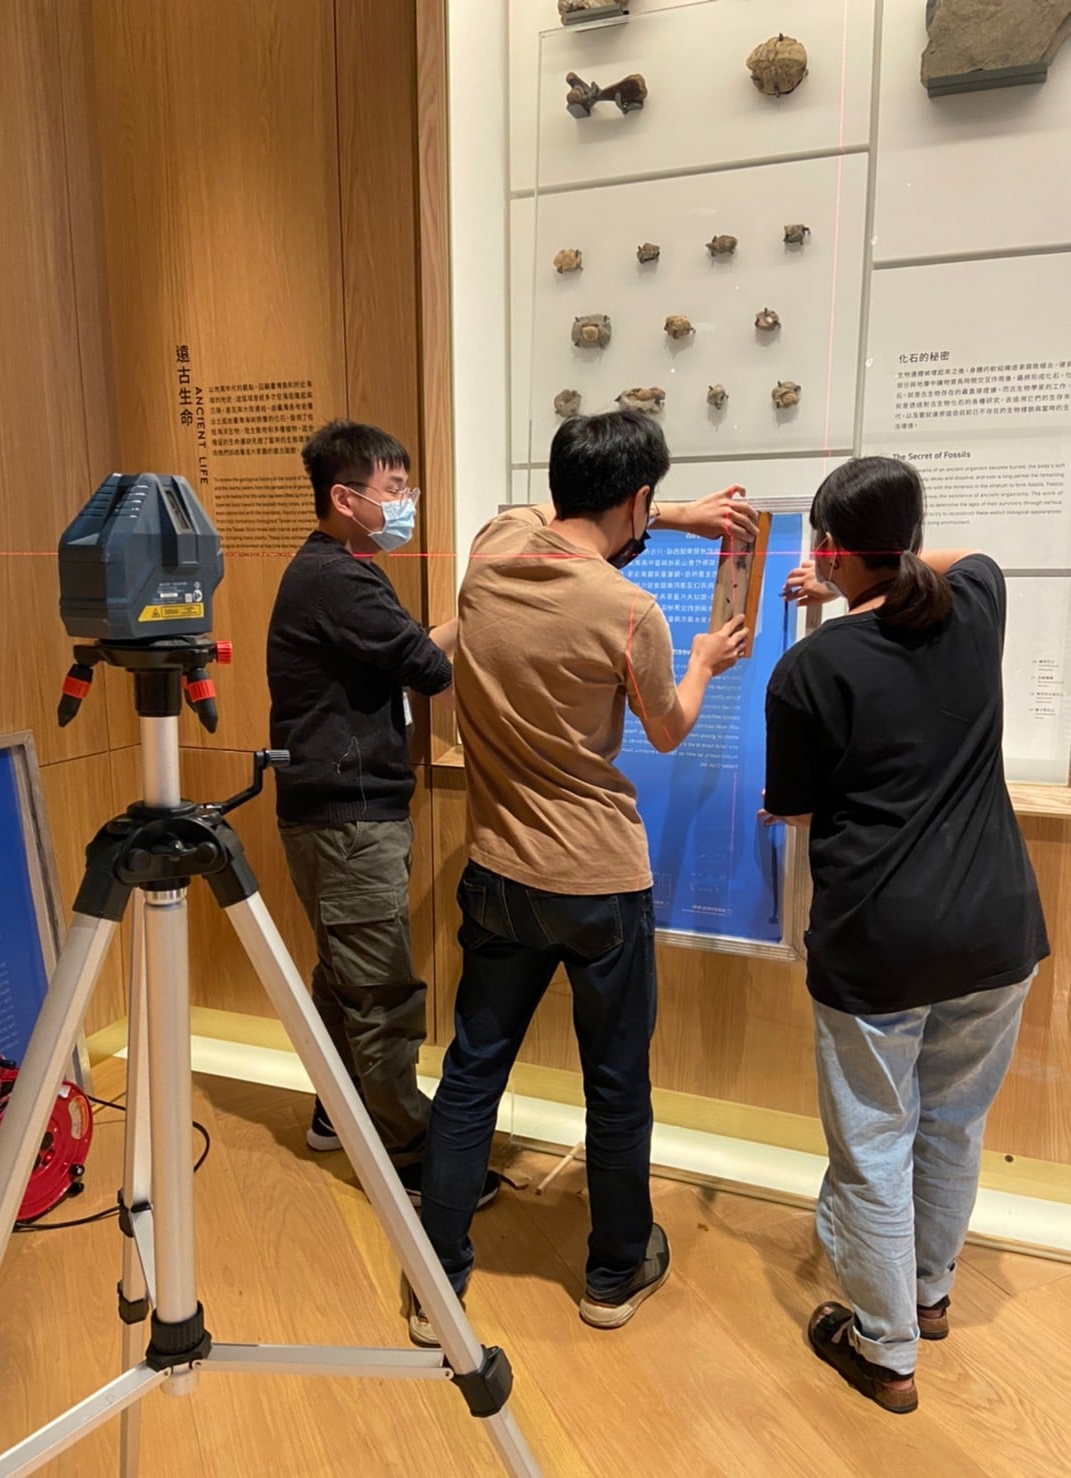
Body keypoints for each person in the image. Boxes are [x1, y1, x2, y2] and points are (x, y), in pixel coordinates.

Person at [410, 409, 753, 1345]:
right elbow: (669, 729)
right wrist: (705, 662)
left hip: (498, 870)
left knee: (472, 1072)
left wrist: (667, 513)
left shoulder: (490, 554)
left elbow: (542, 512)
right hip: (599, 879)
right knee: (615, 1082)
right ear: (635, 499)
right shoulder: (628, 610)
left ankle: (436, 1281)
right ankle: (612, 1272)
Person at [760, 455, 1049, 1414]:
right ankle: (927, 1295)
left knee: (874, 1142)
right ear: (912, 540)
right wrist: (867, 570)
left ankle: (885, 1350)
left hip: (880, 940)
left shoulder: (811, 666)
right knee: (953, 1124)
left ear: (830, 550)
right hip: (995, 929)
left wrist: (838, 593)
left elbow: (794, 807)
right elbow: (968, 559)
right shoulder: (974, 608)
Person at [266, 418, 498, 1209]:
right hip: (348, 817)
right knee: (380, 992)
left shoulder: (335, 571)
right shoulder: (339, 578)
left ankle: (336, 1111)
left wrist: (474, 614)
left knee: (345, 976)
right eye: (394, 490)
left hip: (335, 811)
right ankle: (409, 1150)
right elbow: (428, 666)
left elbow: (408, 649)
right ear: (346, 497)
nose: (406, 504)